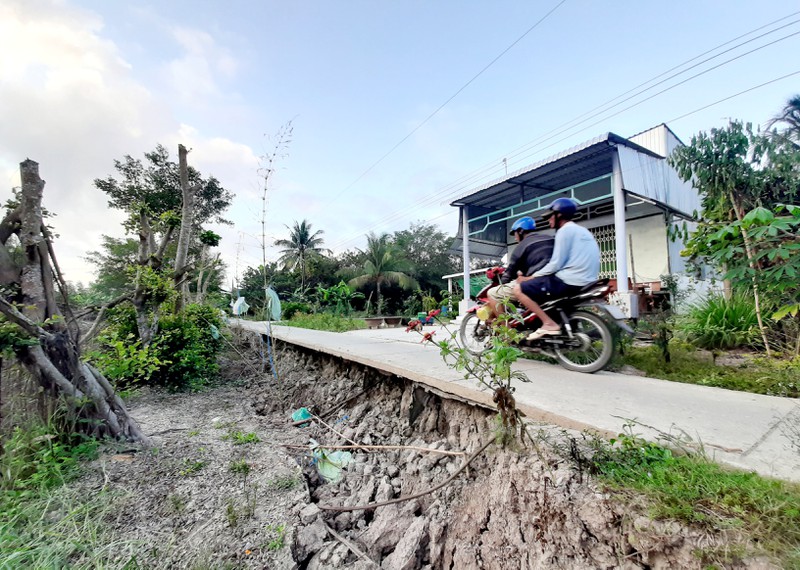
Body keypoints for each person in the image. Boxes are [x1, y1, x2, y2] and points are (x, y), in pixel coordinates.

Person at [514, 197, 600, 341]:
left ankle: (548, 323)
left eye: (549, 216)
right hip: (588, 280)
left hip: (569, 281)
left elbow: (555, 264)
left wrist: (530, 277)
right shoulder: (583, 231)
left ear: (559, 215)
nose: (548, 220)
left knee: (519, 289)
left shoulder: (564, 232)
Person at [483, 216, 554, 326]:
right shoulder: (549, 238)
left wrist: (503, 281)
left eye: (515, 234)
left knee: (492, 293)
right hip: (555, 281)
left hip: (536, 284)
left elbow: (510, 271)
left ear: (521, 231)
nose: (515, 238)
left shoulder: (522, 246)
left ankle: (506, 332)